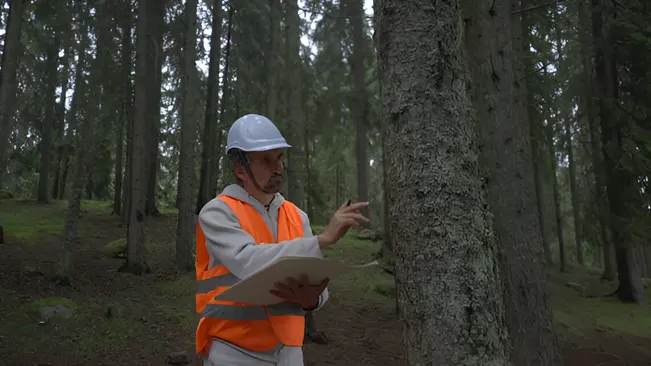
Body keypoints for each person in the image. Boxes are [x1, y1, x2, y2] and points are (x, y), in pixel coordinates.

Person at [195, 114, 369, 366]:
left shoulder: (297, 217)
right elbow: (248, 261)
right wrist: (322, 240)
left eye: (279, 157)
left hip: (289, 353)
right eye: (266, 160)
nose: (277, 167)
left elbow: (318, 284)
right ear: (239, 169)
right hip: (233, 352)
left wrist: (313, 300)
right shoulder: (218, 212)